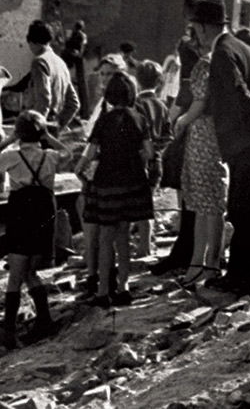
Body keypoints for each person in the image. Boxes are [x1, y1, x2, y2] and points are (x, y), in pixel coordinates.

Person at [191, 0, 250, 294]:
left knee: (243, 211)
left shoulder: (223, 54)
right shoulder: (246, 50)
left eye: (196, 28)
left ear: (202, 27)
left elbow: (240, 94)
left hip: (246, 141)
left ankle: (242, 277)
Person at [80, 72, 153, 307]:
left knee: (105, 237)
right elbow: (149, 152)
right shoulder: (139, 118)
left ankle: (103, 291)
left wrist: (80, 171)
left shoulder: (104, 119)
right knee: (123, 236)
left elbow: (90, 153)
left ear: (109, 95)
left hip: (106, 183)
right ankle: (123, 287)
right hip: (132, 182)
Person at [1, 112, 71, 348]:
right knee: (31, 270)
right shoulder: (50, 155)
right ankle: (44, 320)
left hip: (20, 211)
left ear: (19, 133)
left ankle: (8, 329)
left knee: (15, 274)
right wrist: (49, 136)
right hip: (43, 212)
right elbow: (68, 153)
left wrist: (10, 139)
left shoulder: (11, 156)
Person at [150, 0, 206, 277]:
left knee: (184, 185)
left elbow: (187, 90)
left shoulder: (188, 46)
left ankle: (184, 251)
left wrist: (169, 121)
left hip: (191, 120)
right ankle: (195, 252)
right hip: (211, 123)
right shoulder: (216, 45)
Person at [172, 24, 227, 288]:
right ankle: (203, 262)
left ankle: (206, 263)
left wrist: (181, 121)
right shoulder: (217, 61)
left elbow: (200, 101)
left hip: (204, 136)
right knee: (207, 204)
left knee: (208, 204)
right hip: (209, 136)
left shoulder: (205, 64)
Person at [132, 61, 171, 258]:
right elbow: (167, 136)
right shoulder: (162, 106)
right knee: (148, 202)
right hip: (156, 161)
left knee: (137, 204)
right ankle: (146, 243)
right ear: (159, 82)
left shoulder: (136, 105)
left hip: (137, 161)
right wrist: (156, 150)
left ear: (137, 80)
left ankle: (142, 246)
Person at [22, 20, 79, 130]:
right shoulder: (61, 63)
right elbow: (73, 103)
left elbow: (44, 100)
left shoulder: (39, 61)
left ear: (32, 42)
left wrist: (34, 130)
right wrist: (59, 125)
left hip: (38, 128)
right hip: (52, 126)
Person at [61, 21, 88, 115]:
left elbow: (67, 44)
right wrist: (79, 55)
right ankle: (84, 111)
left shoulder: (72, 34)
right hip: (73, 57)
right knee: (80, 82)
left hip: (68, 56)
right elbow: (82, 48)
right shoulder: (81, 35)